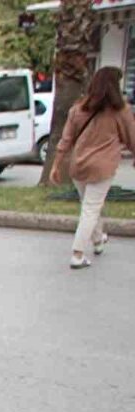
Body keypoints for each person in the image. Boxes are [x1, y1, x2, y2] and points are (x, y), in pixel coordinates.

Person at [49, 66, 135, 269]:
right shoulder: (121, 111)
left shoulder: (78, 109)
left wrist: (56, 165)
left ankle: (98, 241)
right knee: (91, 208)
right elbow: (131, 137)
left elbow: (66, 140)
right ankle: (77, 254)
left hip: (78, 166)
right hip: (103, 167)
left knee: (90, 205)